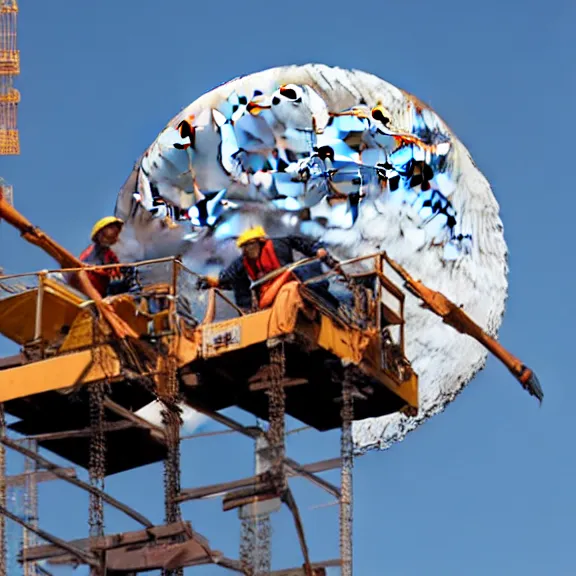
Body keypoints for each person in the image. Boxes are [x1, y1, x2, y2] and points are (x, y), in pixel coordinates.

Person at [196, 225, 340, 311]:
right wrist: (212, 281)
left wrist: (316, 250)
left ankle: (333, 308)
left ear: (260, 242)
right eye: (245, 247)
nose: (248, 249)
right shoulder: (245, 260)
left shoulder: (278, 244)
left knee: (310, 284)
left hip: (287, 280)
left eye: (251, 244)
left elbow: (300, 243)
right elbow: (229, 275)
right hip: (267, 293)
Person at [78, 216, 136, 297]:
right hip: (91, 291)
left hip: (103, 292)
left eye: (117, 233)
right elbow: (89, 270)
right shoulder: (91, 253)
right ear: (100, 233)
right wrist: (106, 272)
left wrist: (121, 270)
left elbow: (117, 269)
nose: (116, 235)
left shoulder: (109, 254)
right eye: (112, 228)